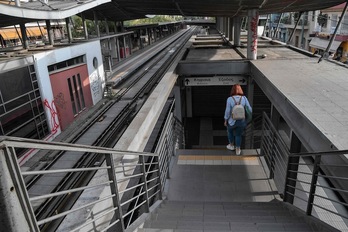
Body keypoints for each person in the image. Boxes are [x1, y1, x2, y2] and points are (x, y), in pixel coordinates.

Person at [224, 84, 252, 155]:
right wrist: (248, 118)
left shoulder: (229, 99)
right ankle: (238, 150)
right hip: (241, 121)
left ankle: (231, 145)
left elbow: (227, 111)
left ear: (232, 90)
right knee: (238, 135)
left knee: (230, 131)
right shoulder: (244, 98)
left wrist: (225, 120)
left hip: (231, 121)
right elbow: (250, 109)